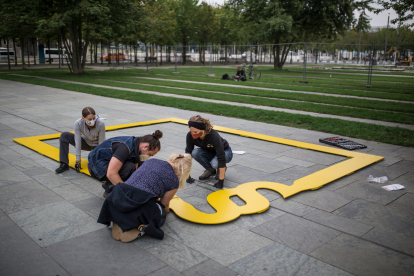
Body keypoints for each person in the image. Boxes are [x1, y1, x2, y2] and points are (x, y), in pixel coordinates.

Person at [97, 154, 192, 242]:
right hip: (141, 202)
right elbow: (164, 203)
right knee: (161, 213)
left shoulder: (151, 161)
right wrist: (165, 210)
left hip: (119, 195)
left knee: (135, 200)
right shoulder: (174, 181)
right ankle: (141, 227)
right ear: (184, 170)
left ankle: (118, 219)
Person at [88, 130, 163, 197]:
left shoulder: (137, 144)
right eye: (149, 154)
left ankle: (112, 183)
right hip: (96, 166)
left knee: (142, 163)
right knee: (130, 167)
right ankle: (110, 189)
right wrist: (126, 191)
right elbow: (111, 173)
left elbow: (136, 170)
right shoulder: (124, 148)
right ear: (146, 147)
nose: (148, 157)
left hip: (109, 163)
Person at [185, 115, 233, 189]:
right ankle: (211, 170)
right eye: (191, 131)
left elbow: (221, 157)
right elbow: (187, 155)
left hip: (225, 152)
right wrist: (187, 175)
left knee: (215, 163)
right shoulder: (190, 135)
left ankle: (220, 169)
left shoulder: (214, 136)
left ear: (203, 129)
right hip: (210, 152)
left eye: (196, 132)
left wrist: (221, 181)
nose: (193, 134)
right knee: (194, 153)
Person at [55, 107, 106, 174]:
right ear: (83, 118)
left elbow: (101, 143)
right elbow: (78, 141)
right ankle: (64, 164)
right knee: (64, 135)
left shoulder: (100, 123)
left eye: (94, 118)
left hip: (96, 146)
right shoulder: (78, 123)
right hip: (85, 142)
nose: (92, 121)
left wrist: (100, 160)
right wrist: (78, 160)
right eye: (90, 119)